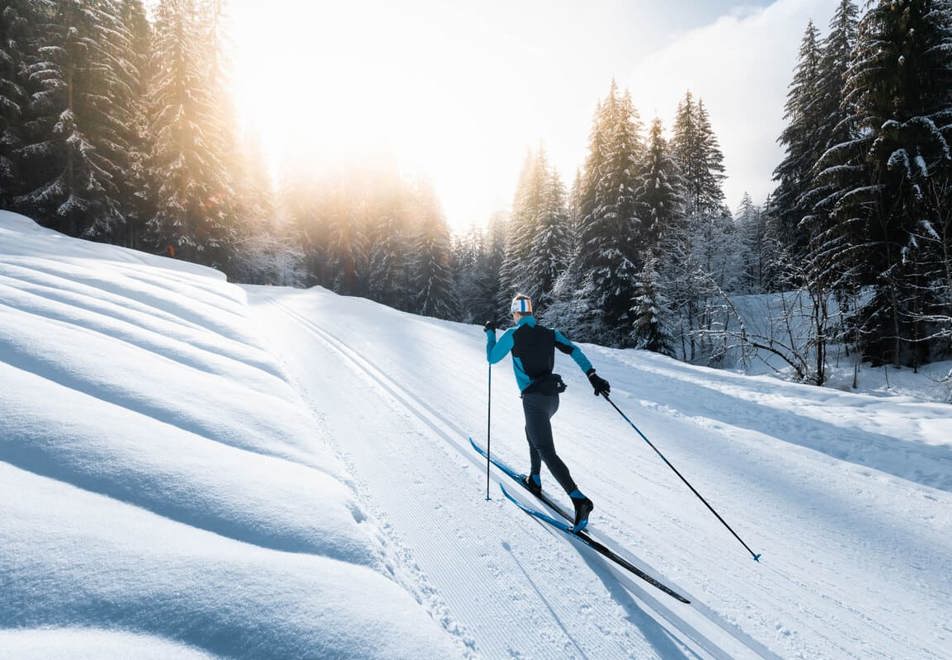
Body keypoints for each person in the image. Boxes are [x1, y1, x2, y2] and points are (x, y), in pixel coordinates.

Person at [484, 293, 611, 532]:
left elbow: (491, 358)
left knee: (545, 449)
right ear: (532, 313)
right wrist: (592, 375)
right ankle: (535, 478)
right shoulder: (550, 333)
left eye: (513, 314)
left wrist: (490, 333)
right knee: (531, 433)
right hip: (552, 399)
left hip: (533, 400)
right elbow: (573, 350)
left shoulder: (513, 334)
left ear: (516, 313)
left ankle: (579, 499)